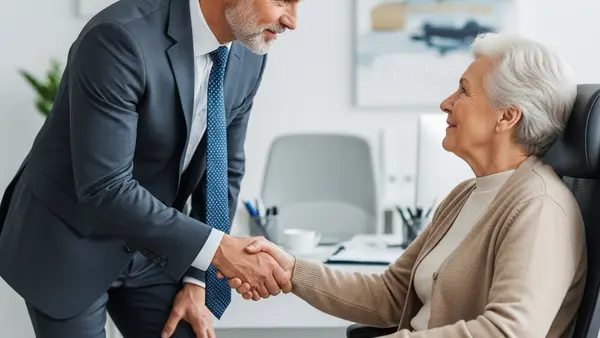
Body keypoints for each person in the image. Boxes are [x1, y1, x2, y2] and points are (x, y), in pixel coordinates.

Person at [224, 32, 588, 337]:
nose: (447, 103)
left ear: (507, 117)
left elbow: (507, 332)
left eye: (463, 90)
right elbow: (392, 294)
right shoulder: (466, 195)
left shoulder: (540, 207)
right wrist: (291, 271)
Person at [0, 0, 298, 337]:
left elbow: (223, 168)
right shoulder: (118, 38)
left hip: (152, 243)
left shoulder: (249, 55)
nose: (293, 20)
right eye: (282, 1)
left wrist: (196, 277)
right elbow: (106, 188)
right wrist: (218, 251)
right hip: (70, 237)